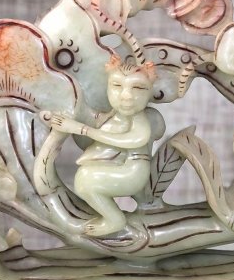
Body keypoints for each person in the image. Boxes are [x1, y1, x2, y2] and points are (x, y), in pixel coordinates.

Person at [44, 55, 156, 236]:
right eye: (117, 86)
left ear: (150, 91)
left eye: (138, 88)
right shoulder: (112, 114)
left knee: (85, 181)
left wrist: (82, 129)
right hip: (118, 166)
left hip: (133, 171)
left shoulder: (138, 119)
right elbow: (93, 121)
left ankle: (115, 219)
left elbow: (135, 139)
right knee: (85, 178)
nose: (126, 96)